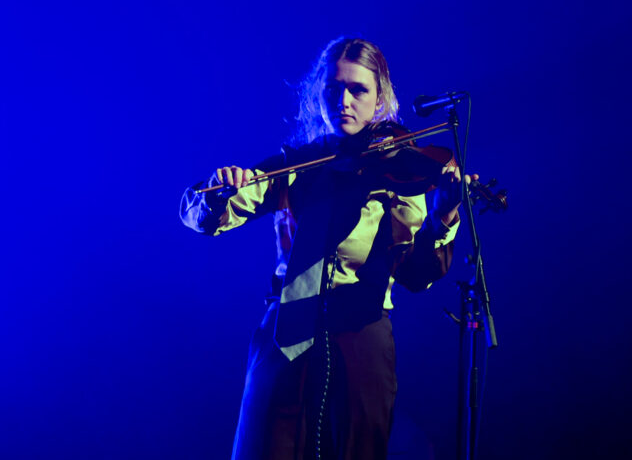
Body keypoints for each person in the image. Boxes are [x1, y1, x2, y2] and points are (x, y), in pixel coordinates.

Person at [180, 37, 475, 460]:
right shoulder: (295, 165)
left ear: (379, 99)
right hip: (286, 328)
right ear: (317, 95)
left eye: (358, 90)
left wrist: (443, 215)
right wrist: (218, 193)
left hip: (362, 335)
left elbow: (415, 273)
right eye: (333, 89)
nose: (344, 101)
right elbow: (203, 215)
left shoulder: (398, 171)